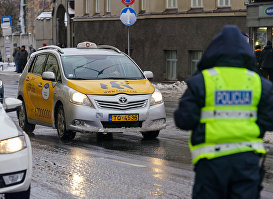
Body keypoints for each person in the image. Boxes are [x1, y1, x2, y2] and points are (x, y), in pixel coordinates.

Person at [174, 25, 273, 199]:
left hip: (211, 164)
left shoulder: (203, 81)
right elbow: (270, 120)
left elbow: (183, 120)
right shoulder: (259, 84)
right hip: (247, 163)